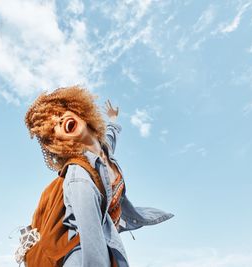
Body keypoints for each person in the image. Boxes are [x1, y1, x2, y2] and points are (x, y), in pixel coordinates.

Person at [24, 85, 173, 267]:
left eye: (61, 112)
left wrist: (113, 120)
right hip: (82, 256)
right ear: (58, 142)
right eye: (53, 127)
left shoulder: (103, 151)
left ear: (79, 111)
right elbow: (93, 245)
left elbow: (110, 137)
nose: (60, 120)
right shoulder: (79, 177)